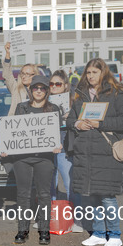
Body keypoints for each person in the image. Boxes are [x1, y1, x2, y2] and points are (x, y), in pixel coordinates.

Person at [67, 58, 123, 246]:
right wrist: (77, 124)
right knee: (92, 195)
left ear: (103, 73)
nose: (90, 76)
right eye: (88, 73)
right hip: (86, 152)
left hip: (106, 152)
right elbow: (71, 119)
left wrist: (101, 124)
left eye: (94, 72)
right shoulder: (80, 95)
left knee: (107, 196)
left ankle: (114, 234)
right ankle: (98, 233)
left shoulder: (116, 93)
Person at [1, 75, 62, 245]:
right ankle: (23, 229)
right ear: (30, 90)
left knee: (44, 194)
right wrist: (7, 148)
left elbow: (57, 133)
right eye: (36, 88)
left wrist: (58, 145)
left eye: (42, 88)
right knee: (23, 195)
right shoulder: (22, 108)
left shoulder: (54, 109)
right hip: (23, 158)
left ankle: (44, 230)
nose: (39, 91)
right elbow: (14, 132)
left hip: (45, 158)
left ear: (47, 91)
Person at [49, 70, 83, 233]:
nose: (54, 87)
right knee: (50, 183)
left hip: (65, 143)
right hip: (47, 145)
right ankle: (51, 217)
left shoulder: (73, 101)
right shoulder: (43, 100)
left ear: (65, 86)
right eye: (52, 84)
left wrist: (72, 117)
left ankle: (74, 220)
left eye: (58, 84)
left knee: (69, 182)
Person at [2, 42, 39, 116]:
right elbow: (7, 75)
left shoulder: (40, 90)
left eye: (27, 74)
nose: (24, 76)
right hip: (17, 124)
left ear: (34, 75)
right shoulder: (16, 88)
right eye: (22, 73)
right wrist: (7, 55)